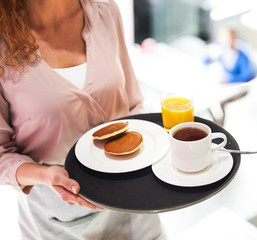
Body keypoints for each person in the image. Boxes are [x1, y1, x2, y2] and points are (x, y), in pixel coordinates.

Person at [0, 1, 164, 239]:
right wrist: (44, 176)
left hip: (134, 201)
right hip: (58, 216)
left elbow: (133, 104)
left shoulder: (105, 11)